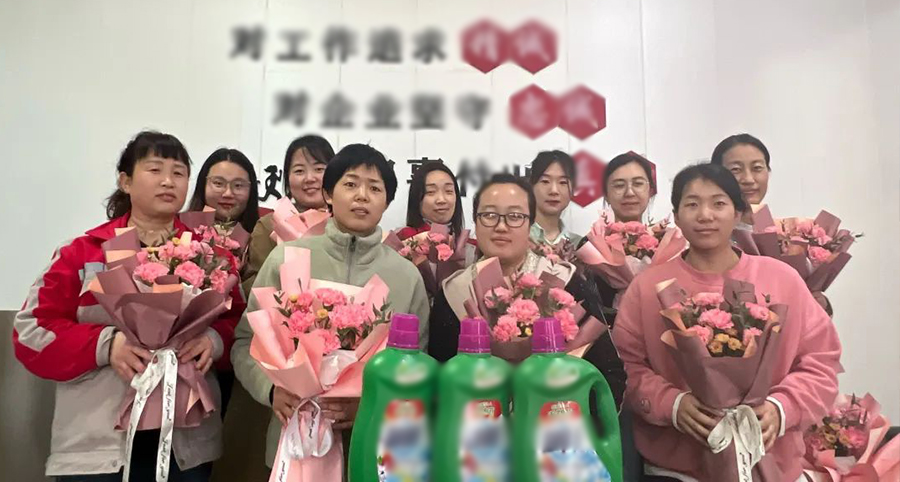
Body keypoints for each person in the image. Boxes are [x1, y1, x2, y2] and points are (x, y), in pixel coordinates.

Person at [12, 131, 244, 482]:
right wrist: (105, 345)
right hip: (99, 449)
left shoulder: (213, 257)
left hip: (185, 447)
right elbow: (31, 332)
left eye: (179, 173)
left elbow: (240, 328)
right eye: (155, 169)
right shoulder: (83, 252)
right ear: (125, 181)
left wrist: (213, 341)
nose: (168, 181)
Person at [612, 163, 841, 481]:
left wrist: (782, 408)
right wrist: (672, 404)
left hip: (773, 464)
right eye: (692, 204)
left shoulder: (782, 279)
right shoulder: (648, 288)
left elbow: (822, 361)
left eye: (718, 203)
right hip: (677, 469)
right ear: (676, 216)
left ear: (738, 213)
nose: (705, 215)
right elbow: (624, 367)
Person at [231, 143, 430, 475]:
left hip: (373, 446)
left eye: (375, 188)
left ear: (387, 202)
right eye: (350, 184)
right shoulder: (287, 258)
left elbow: (417, 366)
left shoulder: (406, 276)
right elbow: (245, 343)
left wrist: (373, 405)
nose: (362, 196)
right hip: (294, 444)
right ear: (328, 193)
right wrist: (271, 390)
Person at [427, 173, 626, 408]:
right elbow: (439, 384)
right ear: (476, 223)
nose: (501, 226)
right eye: (489, 215)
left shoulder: (565, 282)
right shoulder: (454, 293)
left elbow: (607, 374)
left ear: (530, 224)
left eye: (515, 216)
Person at [243, 135, 335, 294]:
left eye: (319, 169)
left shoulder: (344, 225)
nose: (309, 178)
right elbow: (254, 285)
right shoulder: (269, 226)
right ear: (287, 178)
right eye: (299, 171)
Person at [528, 150, 581, 247]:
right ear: (532, 186)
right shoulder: (518, 238)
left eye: (563, 182)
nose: (554, 190)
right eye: (545, 181)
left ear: (573, 189)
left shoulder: (579, 245)